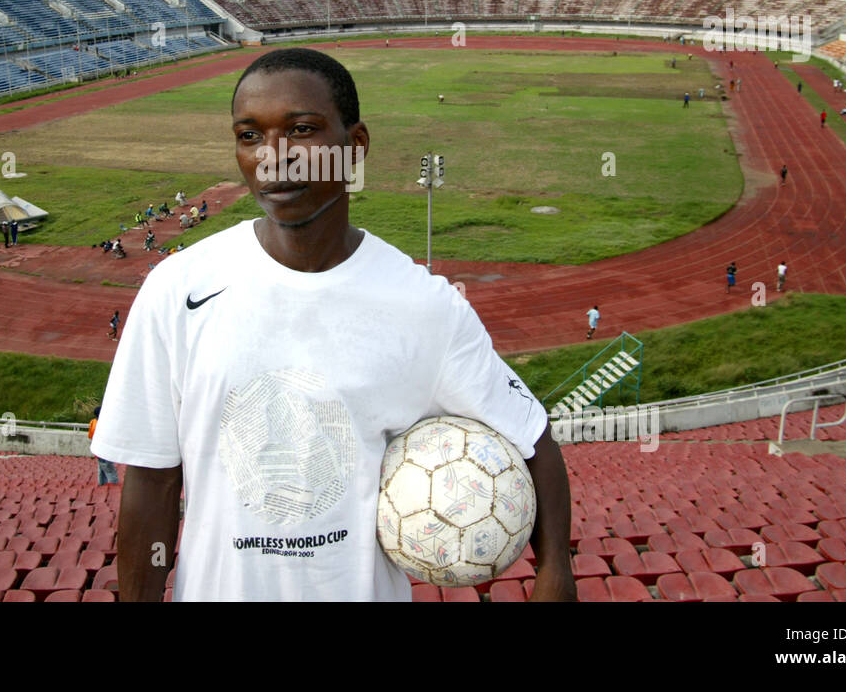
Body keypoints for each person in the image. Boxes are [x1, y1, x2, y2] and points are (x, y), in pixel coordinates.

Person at [91, 47, 575, 603]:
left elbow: (531, 437)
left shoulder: (424, 306)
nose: (273, 158)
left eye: (301, 130)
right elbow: (152, 481)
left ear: (356, 146)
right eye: (249, 135)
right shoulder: (178, 288)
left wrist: (554, 570)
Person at [89, 406, 120, 485]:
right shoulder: (105, 423)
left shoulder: (93, 422)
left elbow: (90, 436)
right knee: (110, 470)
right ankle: (113, 485)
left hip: (97, 449)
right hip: (105, 449)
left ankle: (102, 484)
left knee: (101, 469)